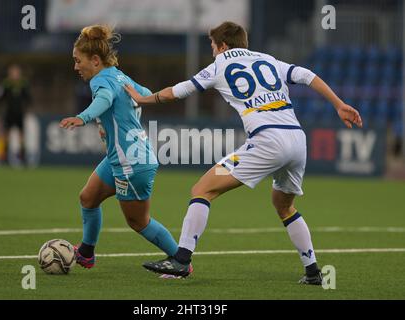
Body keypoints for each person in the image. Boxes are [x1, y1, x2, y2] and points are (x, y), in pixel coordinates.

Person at [125, 21, 363, 284]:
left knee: (202, 189)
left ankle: (180, 260)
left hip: (267, 140)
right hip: (297, 140)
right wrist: (339, 104)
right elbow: (307, 76)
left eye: (213, 46)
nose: (213, 52)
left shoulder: (219, 64)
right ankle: (313, 272)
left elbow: (178, 92)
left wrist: (142, 98)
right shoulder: (267, 59)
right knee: (284, 206)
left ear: (223, 46)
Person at [59, 25, 180, 271]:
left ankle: (181, 260)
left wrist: (84, 117)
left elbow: (103, 99)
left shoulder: (100, 81)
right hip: (122, 157)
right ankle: (86, 253)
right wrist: (114, 117)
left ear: (94, 60)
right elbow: (143, 94)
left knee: (138, 222)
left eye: (77, 60)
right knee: (88, 198)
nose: (75, 66)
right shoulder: (119, 75)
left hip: (131, 163)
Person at [0, 64, 31, 165]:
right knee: (5, 134)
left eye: (17, 72)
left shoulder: (23, 84)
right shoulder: (6, 84)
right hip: (8, 113)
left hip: (19, 113)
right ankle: (4, 157)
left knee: (21, 135)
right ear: (10, 73)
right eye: (13, 72)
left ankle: (22, 156)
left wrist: (27, 108)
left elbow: (28, 98)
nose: (15, 74)